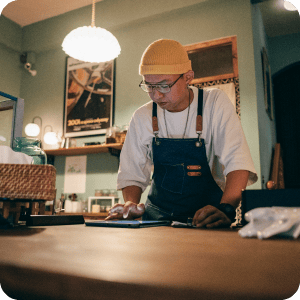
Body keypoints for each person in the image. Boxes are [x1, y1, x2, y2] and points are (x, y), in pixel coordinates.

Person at [106, 39, 257, 228]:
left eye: (164, 85)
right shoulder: (142, 116)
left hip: (207, 220)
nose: (156, 95)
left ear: (188, 77)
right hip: (157, 221)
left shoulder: (214, 103)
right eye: (149, 86)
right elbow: (131, 171)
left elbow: (238, 161)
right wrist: (131, 204)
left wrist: (226, 209)